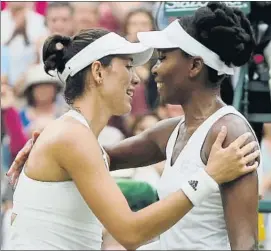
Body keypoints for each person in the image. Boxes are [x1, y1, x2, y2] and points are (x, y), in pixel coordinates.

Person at [6, 28, 260, 250]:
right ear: (98, 72)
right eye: (127, 66)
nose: (137, 78)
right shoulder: (71, 137)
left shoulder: (71, 136)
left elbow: (101, 157)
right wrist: (208, 178)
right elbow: (131, 234)